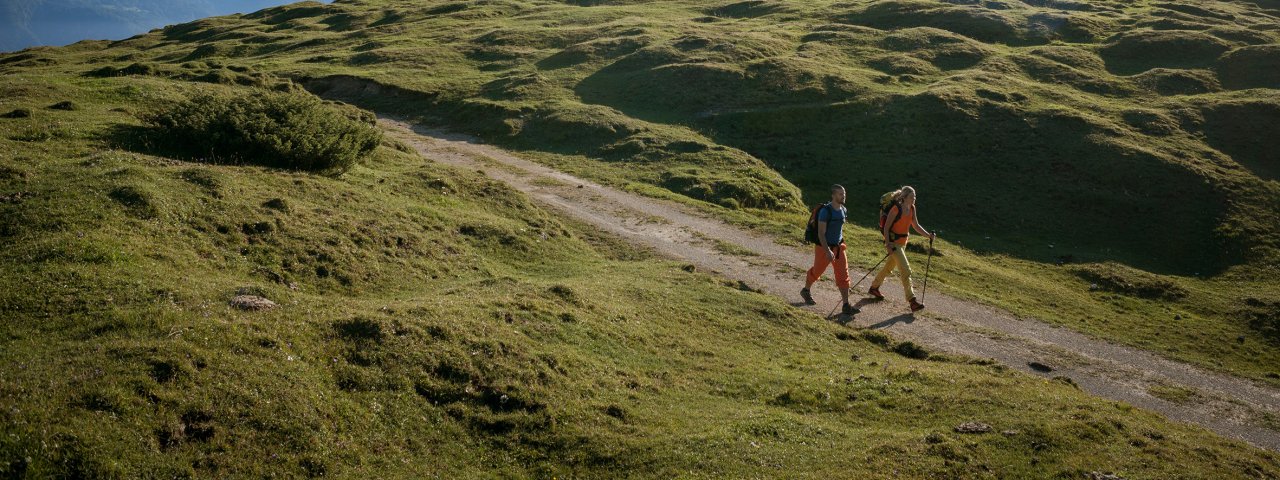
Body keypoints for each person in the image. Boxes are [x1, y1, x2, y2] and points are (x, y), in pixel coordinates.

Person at [869, 186, 935, 312]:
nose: (914, 198)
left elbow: (915, 225)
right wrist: (888, 245)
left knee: (888, 268)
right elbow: (887, 228)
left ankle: (874, 287)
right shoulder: (895, 209)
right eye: (912, 196)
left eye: (915, 196)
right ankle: (912, 301)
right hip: (894, 244)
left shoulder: (912, 208)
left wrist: (928, 236)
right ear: (904, 198)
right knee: (906, 270)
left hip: (902, 243)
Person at [800, 185, 859, 315]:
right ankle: (806, 290)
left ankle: (846, 305)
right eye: (840, 194)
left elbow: (838, 230)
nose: (843, 196)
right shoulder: (825, 211)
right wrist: (827, 251)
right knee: (817, 271)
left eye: (844, 194)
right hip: (823, 247)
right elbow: (821, 233)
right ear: (833, 195)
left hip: (839, 248)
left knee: (843, 275)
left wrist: (839, 244)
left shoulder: (844, 209)